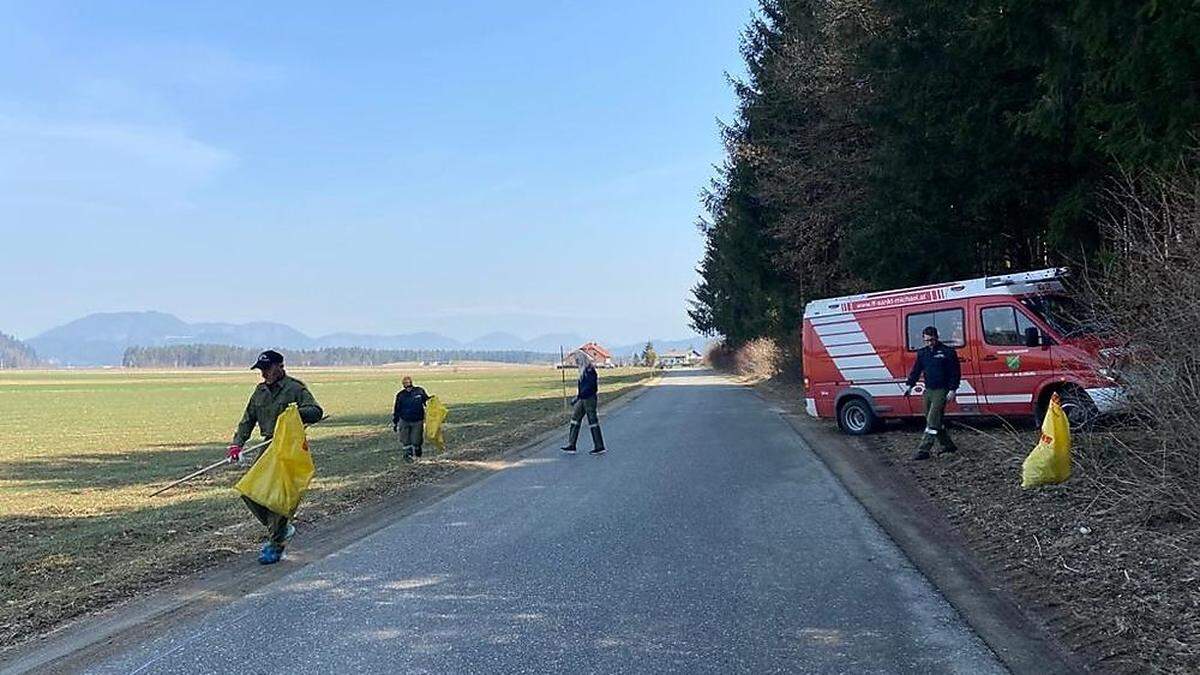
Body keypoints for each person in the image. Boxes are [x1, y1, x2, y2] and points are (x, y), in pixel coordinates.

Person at [227, 349, 324, 564]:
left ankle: (275, 543)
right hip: (267, 445)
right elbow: (247, 420)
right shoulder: (259, 392)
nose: (263, 374)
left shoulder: (295, 388)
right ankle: (282, 530)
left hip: (289, 447)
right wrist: (237, 445)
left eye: (267, 369)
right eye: (261, 370)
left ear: (280, 367)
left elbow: (316, 411)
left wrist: (294, 414)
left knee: (277, 499)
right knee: (250, 492)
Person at [904, 326, 960, 460]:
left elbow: (955, 373)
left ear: (936, 338)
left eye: (931, 340)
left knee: (932, 419)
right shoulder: (922, 353)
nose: (929, 343)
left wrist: (953, 389)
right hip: (928, 390)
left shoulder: (948, 352)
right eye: (926, 340)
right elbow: (916, 370)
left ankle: (924, 449)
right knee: (934, 419)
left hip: (942, 390)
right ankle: (948, 445)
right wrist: (910, 385)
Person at [561, 352, 606, 455]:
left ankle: (599, 446)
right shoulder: (583, 371)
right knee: (575, 420)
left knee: (592, 422)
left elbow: (591, 387)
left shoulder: (590, 371)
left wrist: (579, 397)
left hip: (589, 399)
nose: (576, 362)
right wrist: (578, 397)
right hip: (582, 399)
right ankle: (571, 445)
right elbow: (582, 389)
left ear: (581, 360)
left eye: (577, 360)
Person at [393, 376, 432, 461]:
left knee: (416, 440)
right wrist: (395, 422)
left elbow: (427, 401)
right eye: (405, 383)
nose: (407, 384)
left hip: (417, 420)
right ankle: (408, 457)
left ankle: (418, 454)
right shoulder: (400, 395)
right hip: (404, 420)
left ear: (411, 382)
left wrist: (432, 401)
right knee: (405, 440)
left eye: (408, 382)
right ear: (403, 385)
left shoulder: (419, 391)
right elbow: (397, 409)